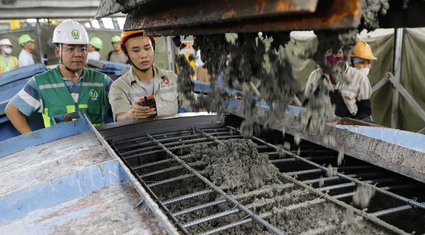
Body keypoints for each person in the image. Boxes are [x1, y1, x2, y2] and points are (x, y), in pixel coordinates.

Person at [5, 19, 113, 134]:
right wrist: (33, 139)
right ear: (58, 52)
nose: (78, 54)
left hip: (96, 147)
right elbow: (12, 110)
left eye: (83, 49)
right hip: (58, 150)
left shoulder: (102, 81)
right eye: (70, 49)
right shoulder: (40, 83)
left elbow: (123, 105)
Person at [109, 29, 180, 121]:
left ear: (153, 49)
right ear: (126, 55)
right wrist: (130, 115)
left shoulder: (172, 79)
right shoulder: (119, 87)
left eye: (147, 48)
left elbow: (193, 103)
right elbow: (119, 117)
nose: (143, 55)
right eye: (136, 50)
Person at [305, 40, 376, 121]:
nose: (334, 57)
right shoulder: (314, 76)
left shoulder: (360, 78)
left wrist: (344, 124)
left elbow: (365, 112)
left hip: (347, 129)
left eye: (338, 52)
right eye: (329, 52)